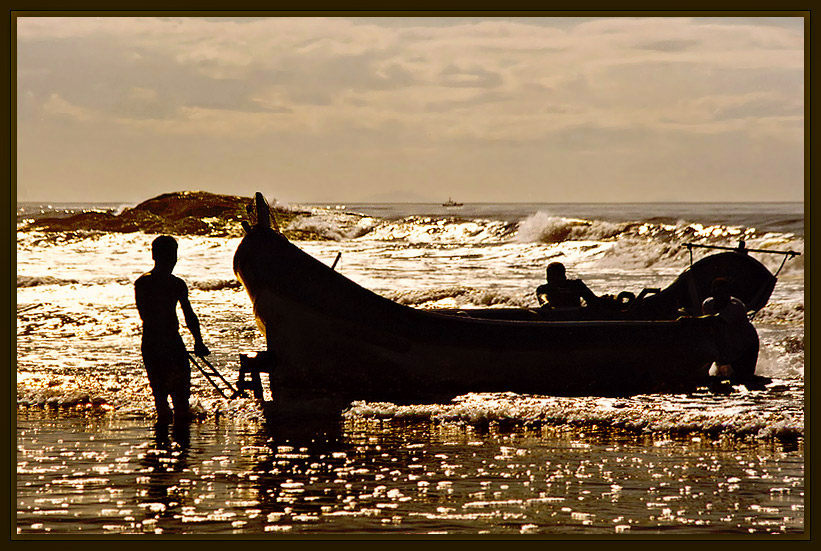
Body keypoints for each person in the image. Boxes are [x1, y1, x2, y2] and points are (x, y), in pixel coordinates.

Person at [135, 236, 210, 425]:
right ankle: (180, 447)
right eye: (171, 255)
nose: (173, 260)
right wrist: (198, 341)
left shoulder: (145, 283)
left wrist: (198, 341)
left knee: (163, 398)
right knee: (178, 401)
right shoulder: (173, 284)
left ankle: (163, 446)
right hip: (167, 344)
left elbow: (186, 315)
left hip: (154, 343)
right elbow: (187, 315)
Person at [702, 277, 759, 380]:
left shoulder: (735, 306)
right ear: (713, 292)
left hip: (747, 345)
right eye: (718, 292)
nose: (722, 296)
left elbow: (717, 323)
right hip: (729, 342)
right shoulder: (707, 304)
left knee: (743, 377)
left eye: (725, 293)